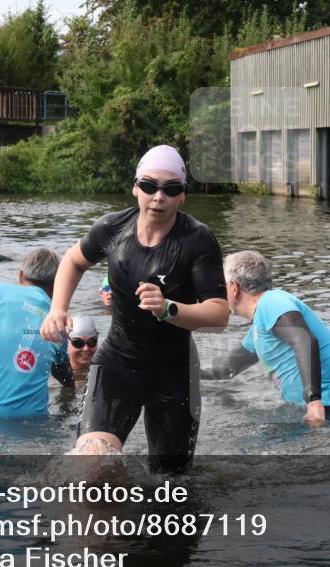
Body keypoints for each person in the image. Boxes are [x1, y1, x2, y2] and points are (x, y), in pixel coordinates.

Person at [39, 144, 228, 474]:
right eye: (149, 186)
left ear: (183, 195)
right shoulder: (113, 228)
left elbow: (219, 313)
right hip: (118, 362)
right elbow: (72, 260)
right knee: (91, 462)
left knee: (172, 486)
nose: (159, 197)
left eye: (171, 189)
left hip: (174, 372)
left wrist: (170, 309)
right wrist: (58, 308)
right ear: (135, 188)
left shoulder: (198, 240)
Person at [201, 250, 330, 426]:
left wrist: (313, 401)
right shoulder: (262, 324)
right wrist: (187, 372)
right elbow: (226, 369)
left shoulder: (271, 302)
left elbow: (304, 339)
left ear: (234, 287)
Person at [0, 248, 74, 419]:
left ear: (20, 276)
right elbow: (64, 375)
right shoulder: (58, 320)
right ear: (57, 285)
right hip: (32, 423)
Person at [67, 315, 98, 385]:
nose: (86, 349)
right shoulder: (54, 378)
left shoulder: (105, 371)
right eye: (78, 343)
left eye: (92, 342)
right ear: (66, 344)